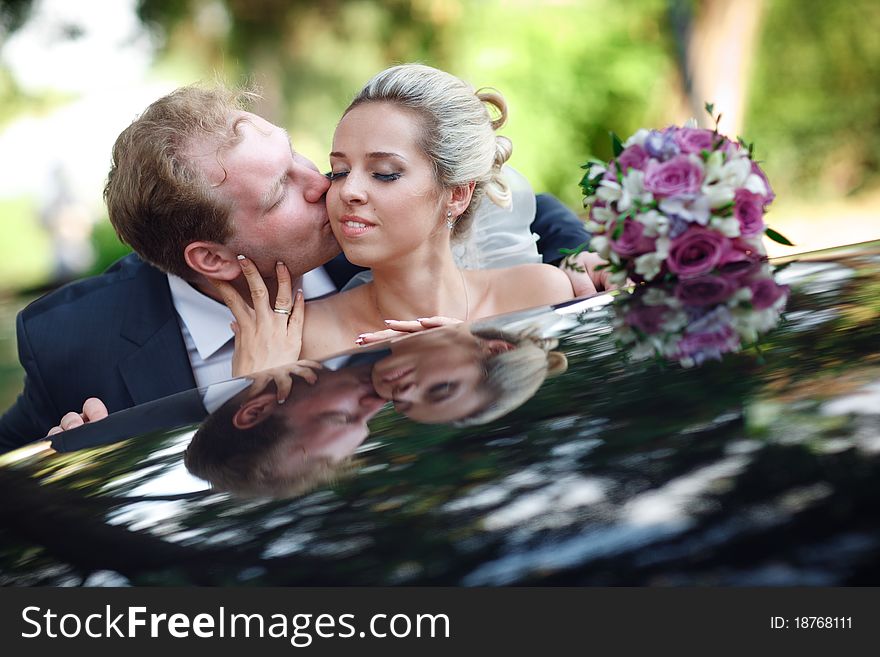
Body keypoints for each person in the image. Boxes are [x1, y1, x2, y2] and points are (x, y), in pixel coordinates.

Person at [0, 82, 599, 453]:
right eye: (281, 188)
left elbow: (516, 211)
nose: (326, 185)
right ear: (211, 258)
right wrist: (74, 463)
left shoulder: (367, 236)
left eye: (295, 156)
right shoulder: (73, 342)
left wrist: (583, 260)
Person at [219, 64, 595, 368]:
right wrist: (257, 386)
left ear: (457, 194)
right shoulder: (302, 337)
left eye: (384, 173)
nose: (347, 191)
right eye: (339, 171)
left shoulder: (541, 291)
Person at [184, 359, 383, 497]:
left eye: (342, 417)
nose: (378, 403)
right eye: (366, 422)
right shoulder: (390, 358)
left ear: (257, 411)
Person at [370, 323, 567, 426]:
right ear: (496, 349)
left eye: (399, 403)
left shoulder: (352, 353)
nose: (402, 394)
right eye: (442, 389)